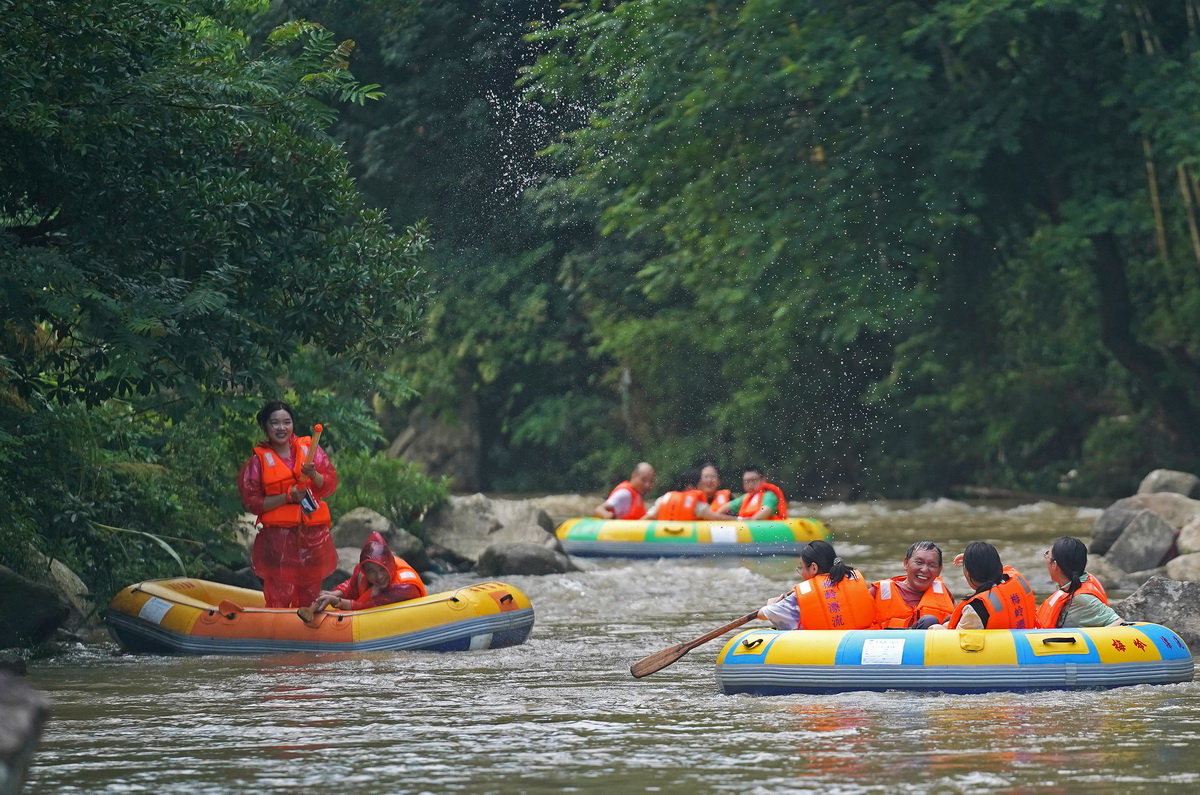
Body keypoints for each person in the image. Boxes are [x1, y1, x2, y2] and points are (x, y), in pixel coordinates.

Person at [237, 400, 338, 608]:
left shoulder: (310, 450)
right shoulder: (258, 462)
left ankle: (309, 630)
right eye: (275, 423)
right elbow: (254, 503)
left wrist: (314, 474)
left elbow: (328, 485)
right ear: (265, 426)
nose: (281, 428)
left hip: (312, 538)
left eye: (287, 422)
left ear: (293, 424)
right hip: (278, 540)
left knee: (310, 594)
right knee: (279, 595)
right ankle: (276, 633)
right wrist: (288, 496)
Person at [758, 540, 876, 630]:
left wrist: (771, 605)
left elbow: (762, 614)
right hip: (860, 640)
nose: (801, 572)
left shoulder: (799, 597)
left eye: (801, 567)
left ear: (813, 567)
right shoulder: (853, 579)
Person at [309, 531, 427, 612]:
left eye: (382, 569)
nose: (379, 577)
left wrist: (338, 602)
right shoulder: (362, 572)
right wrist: (335, 594)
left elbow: (370, 605)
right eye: (372, 572)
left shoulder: (405, 588)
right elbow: (351, 585)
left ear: (390, 565)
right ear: (365, 571)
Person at [933, 541, 1036, 630]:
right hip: (1022, 642)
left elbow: (957, 641)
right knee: (948, 621)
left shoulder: (976, 608)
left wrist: (935, 629)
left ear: (968, 574)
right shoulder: (1016, 581)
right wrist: (973, 559)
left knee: (933, 626)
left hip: (998, 650)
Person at [1036, 536, 1124, 628]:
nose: (1045, 557)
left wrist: (1091, 639)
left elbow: (1119, 623)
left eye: (1047, 554)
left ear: (1054, 565)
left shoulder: (1082, 598)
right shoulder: (1069, 588)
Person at [870, 541, 956, 629]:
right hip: (890, 641)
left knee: (954, 619)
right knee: (929, 621)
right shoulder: (877, 592)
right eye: (919, 562)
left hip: (933, 642)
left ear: (939, 570)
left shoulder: (945, 593)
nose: (924, 570)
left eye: (932, 565)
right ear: (906, 563)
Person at [642, 469, 724, 520]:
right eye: (701, 484)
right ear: (690, 487)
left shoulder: (662, 500)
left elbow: (647, 518)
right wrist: (736, 520)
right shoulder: (697, 506)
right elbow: (715, 517)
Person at [715, 466, 788, 520]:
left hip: (766, 530)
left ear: (763, 480)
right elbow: (725, 508)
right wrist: (716, 517)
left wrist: (748, 521)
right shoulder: (745, 498)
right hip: (748, 526)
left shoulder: (769, 495)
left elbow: (766, 511)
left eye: (753, 480)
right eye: (747, 481)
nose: (750, 484)